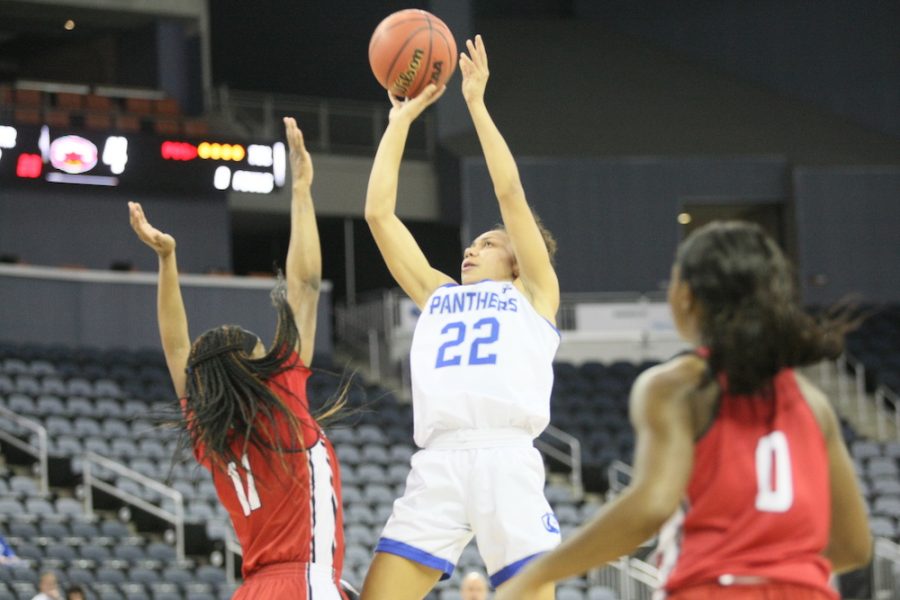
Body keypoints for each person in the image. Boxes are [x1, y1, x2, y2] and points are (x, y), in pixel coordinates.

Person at [495, 221, 873, 600]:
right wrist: (777, 571)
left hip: (713, 588)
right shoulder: (812, 401)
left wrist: (536, 574)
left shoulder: (679, 385)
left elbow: (652, 505)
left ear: (686, 294)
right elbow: (854, 545)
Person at [361, 35, 560, 600]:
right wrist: (399, 122)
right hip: (440, 461)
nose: (470, 249)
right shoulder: (438, 292)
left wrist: (475, 104)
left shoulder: (534, 293)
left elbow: (509, 191)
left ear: (518, 260)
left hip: (505, 456)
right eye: (470, 243)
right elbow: (378, 214)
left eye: (488, 243)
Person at [128, 117, 347, 599]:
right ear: (252, 367)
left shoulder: (210, 430)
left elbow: (175, 347)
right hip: (304, 581)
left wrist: (167, 262)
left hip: (251, 590)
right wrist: (303, 190)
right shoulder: (281, 394)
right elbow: (306, 285)